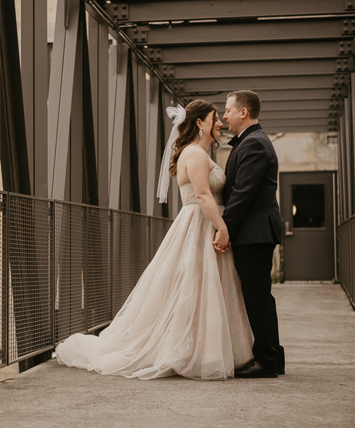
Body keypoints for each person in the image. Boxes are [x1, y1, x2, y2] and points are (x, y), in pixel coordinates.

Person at [55, 100, 253, 380]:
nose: (220, 122)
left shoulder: (198, 153)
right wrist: (222, 228)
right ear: (200, 123)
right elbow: (203, 196)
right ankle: (190, 350)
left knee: (202, 288)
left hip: (205, 224)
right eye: (215, 117)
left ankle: (205, 348)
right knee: (194, 286)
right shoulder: (195, 154)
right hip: (200, 225)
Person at [215, 90, 285, 378]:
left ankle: (266, 360)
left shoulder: (254, 144)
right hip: (254, 232)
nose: (224, 115)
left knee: (257, 296)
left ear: (243, 112)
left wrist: (224, 229)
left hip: (254, 233)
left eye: (228, 110)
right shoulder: (252, 141)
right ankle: (273, 357)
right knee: (260, 296)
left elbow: (242, 194)